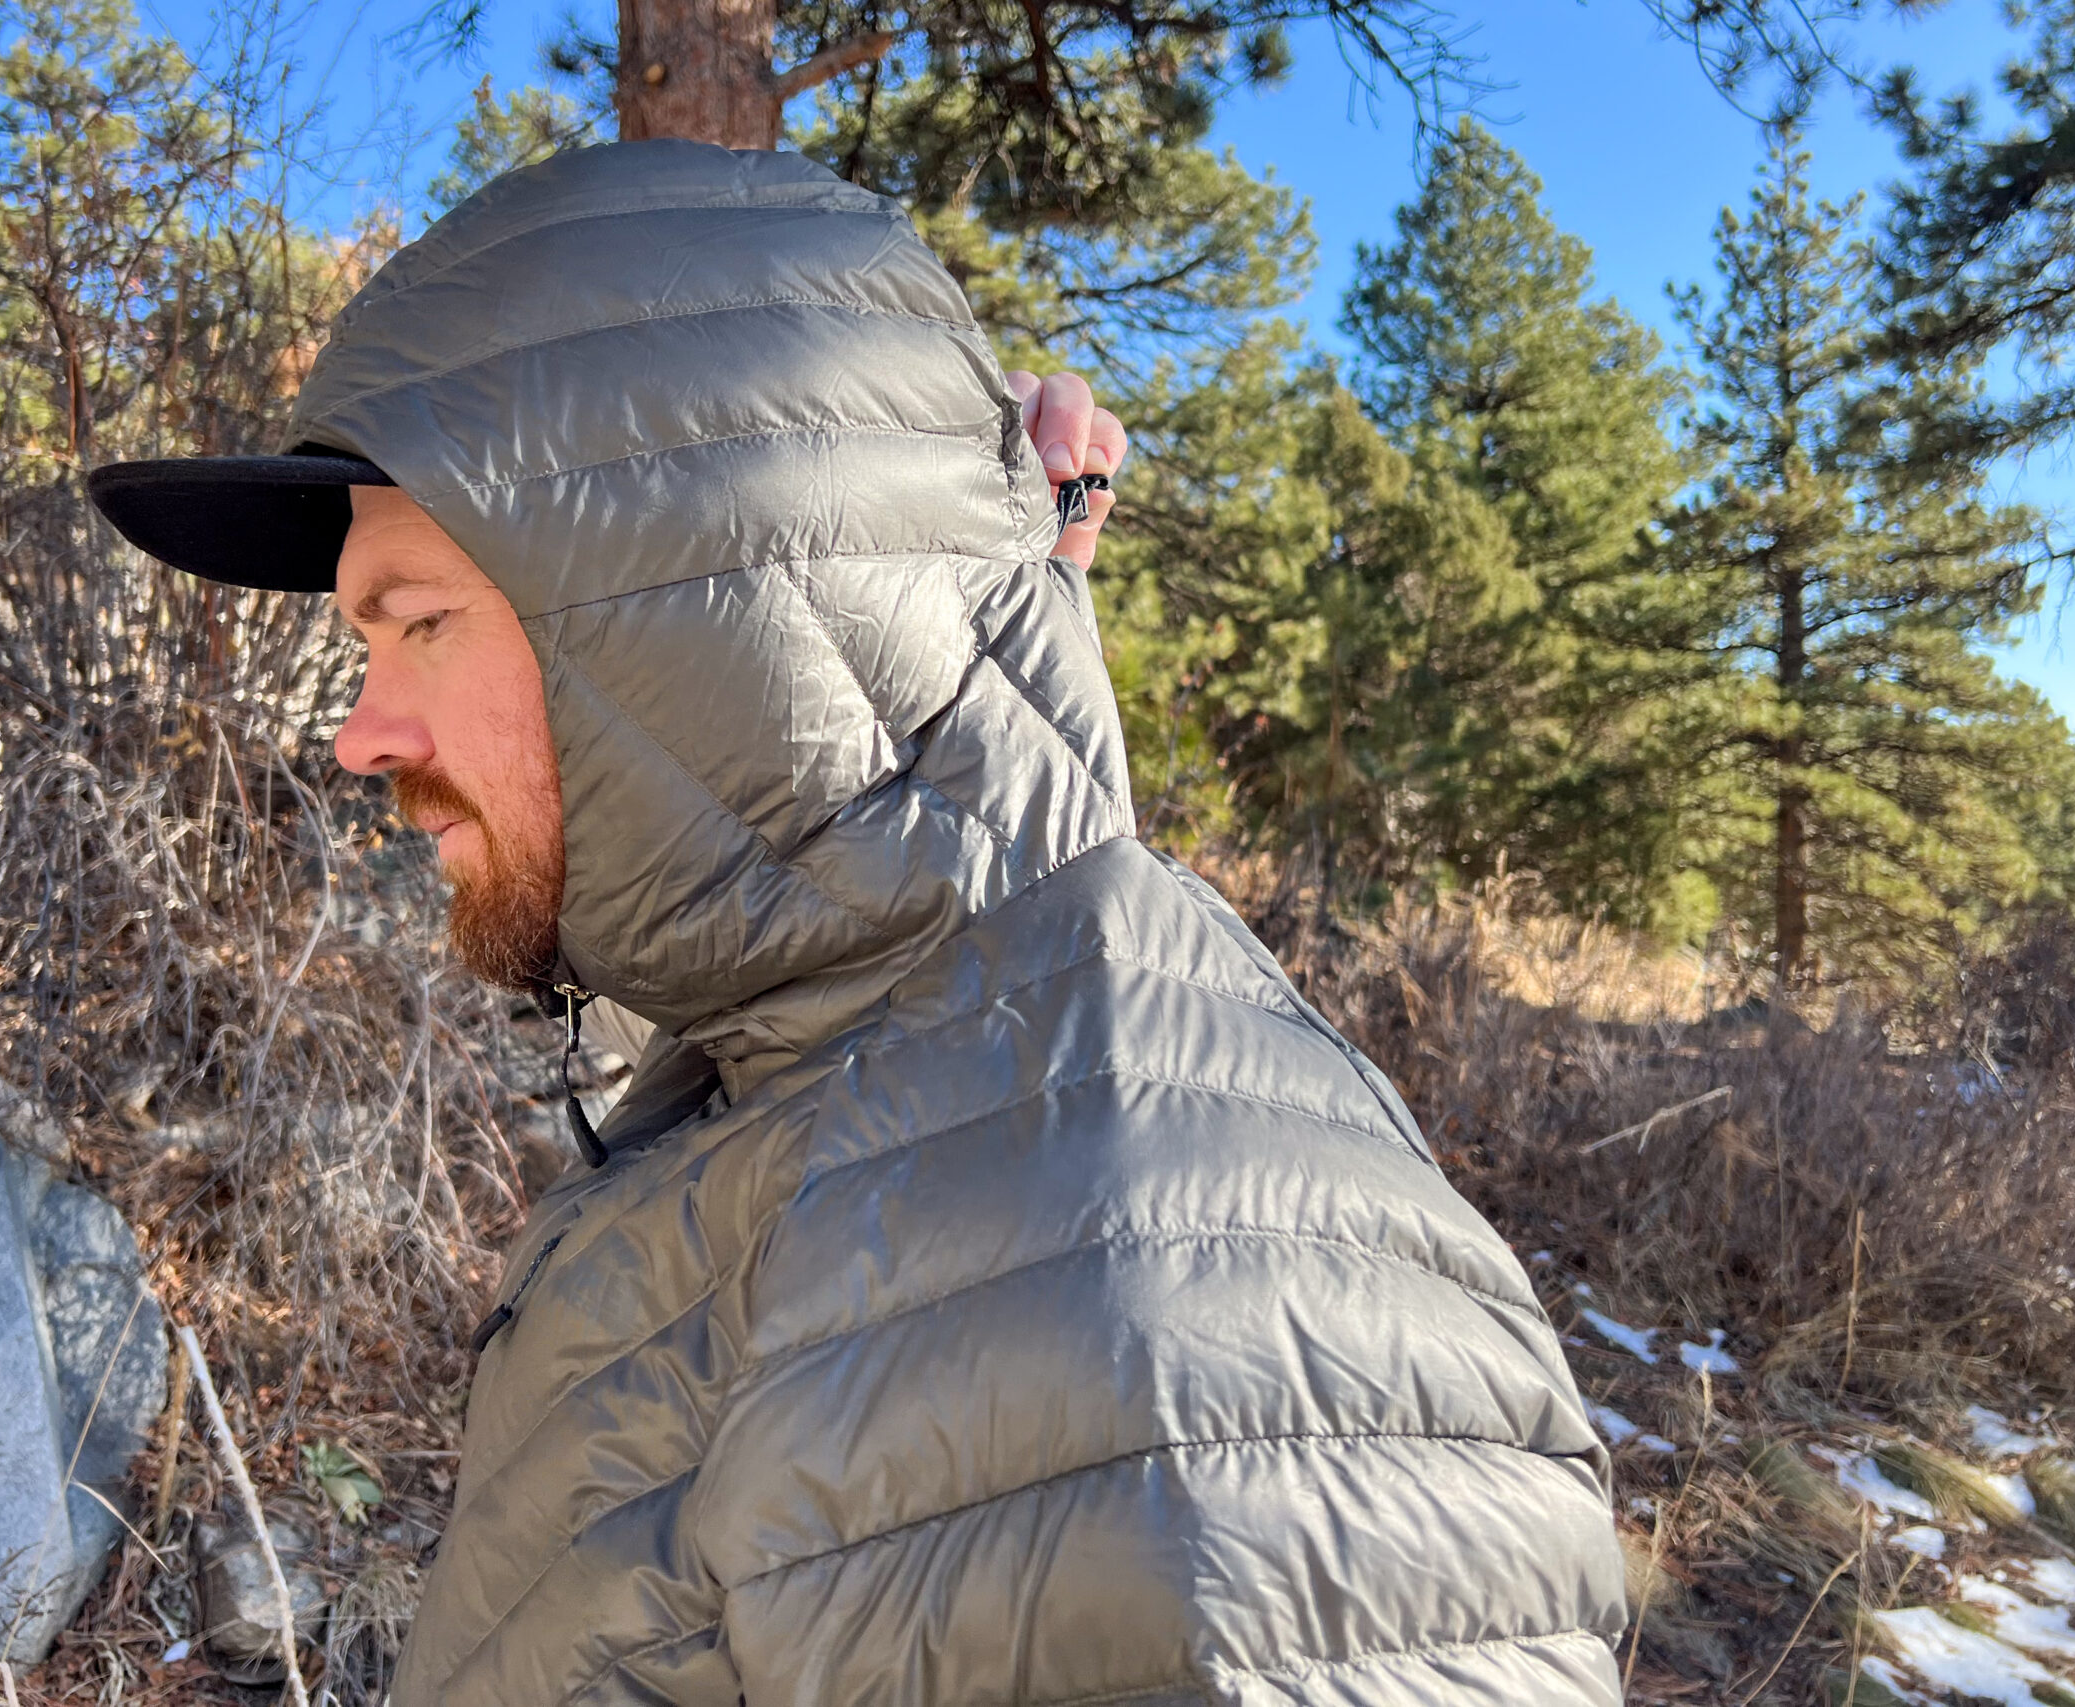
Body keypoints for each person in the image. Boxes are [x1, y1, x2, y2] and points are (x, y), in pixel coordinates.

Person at [90, 140, 1624, 1707]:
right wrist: (967, 640)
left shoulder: (1131, 1327)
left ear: (708, 622)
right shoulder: (838, 1086)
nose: (359, 733)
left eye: (420, 624)